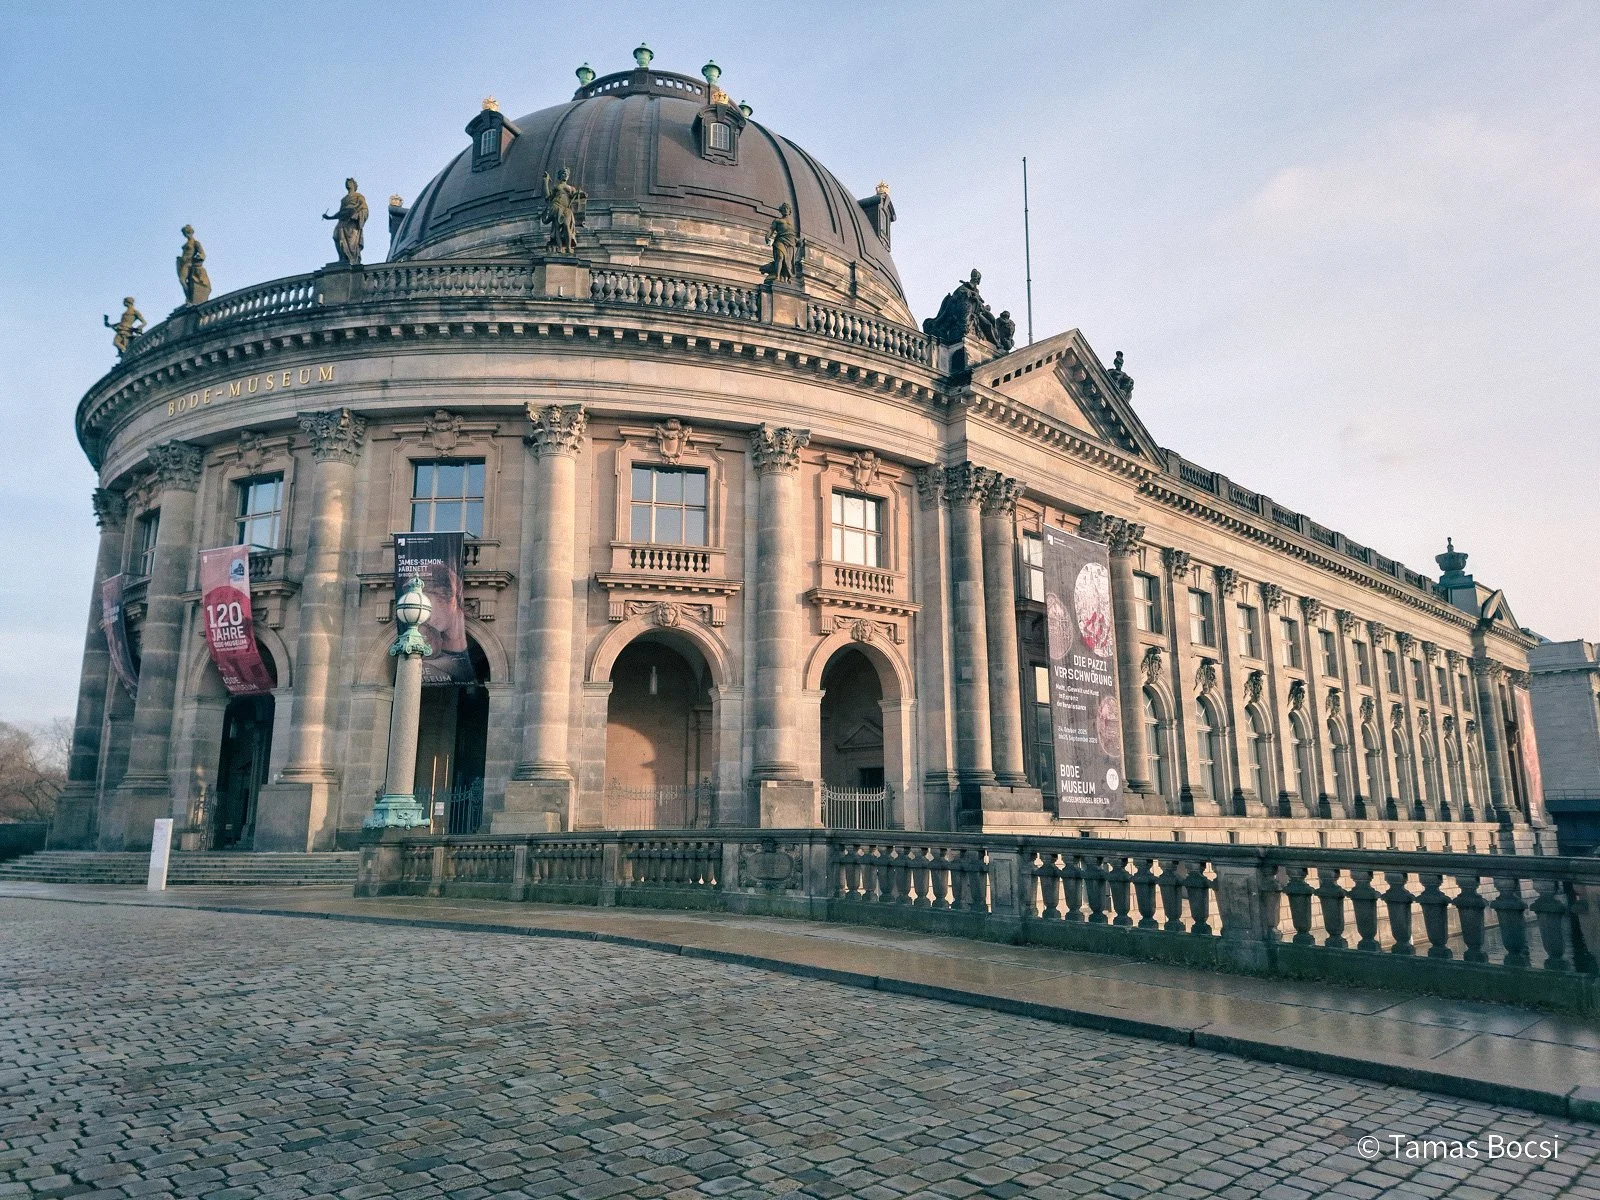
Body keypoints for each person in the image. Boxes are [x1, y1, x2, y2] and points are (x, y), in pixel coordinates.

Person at [323, 178, 369, 265]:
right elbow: (341, 212)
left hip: (352, 221)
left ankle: (351, 259)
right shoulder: (344, 199)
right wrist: (329, 217)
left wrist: (356, 215)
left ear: (354, 185)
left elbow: (364, 208)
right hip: (343, 220)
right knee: (336, 236)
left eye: (350, 182)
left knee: (351, 242)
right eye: (347, 183)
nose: (348, 184)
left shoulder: (359, 196)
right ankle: (342, 258)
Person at [541, 167, 586, 255]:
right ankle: (560, 247)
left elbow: (577, 195)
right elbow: (548, 197)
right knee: (557, 228)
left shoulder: (571, 188)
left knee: (566, 225)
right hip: (556, 206)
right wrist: (546, 182)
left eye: (566, 174)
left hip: (566, 208)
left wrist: (581, 194)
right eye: (563, 173)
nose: (565, 175)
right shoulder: (556, 187)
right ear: (559, 176)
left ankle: (569, 247)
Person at [176, 226, 211, 305]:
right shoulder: (186, 243)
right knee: (183, 281)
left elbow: (203, 254)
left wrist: (199, 257)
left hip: (189, 263)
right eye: (184, 233)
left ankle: (189, 298)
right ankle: (188, 299)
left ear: (191, 232)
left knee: (182, 280)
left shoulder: (195, 243)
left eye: (187, 233)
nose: (186, 235)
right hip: (182, 263)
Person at [765, 202, 797, 283]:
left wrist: (797, 241)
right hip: (780, 241)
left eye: (787, 208)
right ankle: (777, 276)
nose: (785, 210)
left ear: (789, 211)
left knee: (787, 262)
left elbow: (792, 234)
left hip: (790, 243)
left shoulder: (792, 224)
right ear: (781, 211)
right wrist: (767, 236)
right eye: (783, 209)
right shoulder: (777, 220)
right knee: (780, 256)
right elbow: (772, 229)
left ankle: (785, 278)